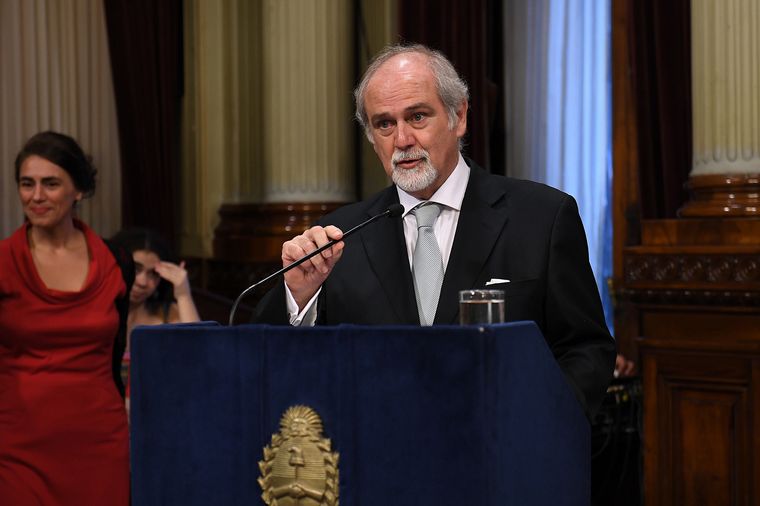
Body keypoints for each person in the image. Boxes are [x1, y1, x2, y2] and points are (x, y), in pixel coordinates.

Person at [254, 43, 616, 418]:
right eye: (384, 124)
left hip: (503, 445)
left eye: (417, 117)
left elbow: (586, 350)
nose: (402, 140)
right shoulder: (339, 236)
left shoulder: (542, 217)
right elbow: (267, 361)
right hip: (379, 448)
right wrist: (298, 296)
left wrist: (539, 425)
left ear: (459, 117)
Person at [0, 131, 131, 505]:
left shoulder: (116, 261)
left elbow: (114, 356)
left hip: (100, 442)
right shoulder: (3, 262)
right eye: (27, 184)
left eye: (51, 183)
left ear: (79, 190)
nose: (36, 196)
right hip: (18, 444)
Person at [109, 228, 200, 413]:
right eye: (135, 268)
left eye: (153, 274)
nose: (143, 282)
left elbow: (200, 355)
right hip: (104, 414)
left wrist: (183, 293)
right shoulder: (99, 311)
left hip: (156, 414)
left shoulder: (167, 314)